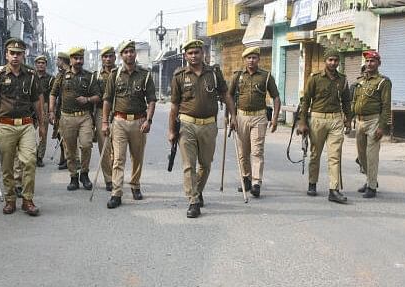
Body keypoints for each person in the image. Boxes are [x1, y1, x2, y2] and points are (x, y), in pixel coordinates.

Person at [169, 39, 234, 218]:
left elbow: (225, 95)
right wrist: (171, 130)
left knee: (205, 164)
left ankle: (197, 190)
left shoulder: (214, 73)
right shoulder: (179, 75)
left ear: (203, 53)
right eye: (190, 53)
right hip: (187, 125)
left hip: (209, 125)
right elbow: (174, 105)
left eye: (197, 52)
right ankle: (193, 201)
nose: (194, 56)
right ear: (185, 56)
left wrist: (233, 116)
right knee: (189, 165)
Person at [0, 38, 45, 216]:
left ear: (24, 55)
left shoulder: (31, 76)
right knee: (8, 165)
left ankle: (27, 200)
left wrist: (42, 125)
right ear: (6, 55)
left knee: (29, 161)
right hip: (5, 126)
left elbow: (36, 102)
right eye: (12, 53)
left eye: (19, 53)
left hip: (26, 125)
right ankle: (10, 200)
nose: (15, 57)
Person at [102, 40, 157, 209]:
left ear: (135, 54)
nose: (129, 55)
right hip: (119, 121)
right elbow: (107, 100)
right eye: (125, 52)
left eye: (131, 51)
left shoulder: (145, 75)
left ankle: (135, 185)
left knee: (137, 157)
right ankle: (116, 193)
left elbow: (152, 100)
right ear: (121, 55)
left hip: (139, 121)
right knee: (118, 158)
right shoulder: (114, 75)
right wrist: (105, 122)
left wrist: (148, 120)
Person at [297, 48, 352, 204]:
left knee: (335, 156)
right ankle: (312, 183)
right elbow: (306, 100)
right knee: (315, 154)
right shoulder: (314, 78)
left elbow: (347, 101)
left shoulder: (343, 79)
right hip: (317, 119)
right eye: (330, 60)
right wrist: (302, 122)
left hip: (336, 120)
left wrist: (348, 119)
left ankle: (334, 190)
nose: (333, 63)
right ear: (325, 61)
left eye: (335, 60)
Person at [228, 46, 281, 198]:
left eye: (254, 57)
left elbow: (276, 97)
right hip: (241, 117)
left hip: (259, 117)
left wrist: (275, 118)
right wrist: (231, 116)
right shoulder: (237, 76)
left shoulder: (266, 76)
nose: (251, 60)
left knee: (257, 151)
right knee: (243, 152)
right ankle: (246, 178)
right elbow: (229, 96)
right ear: (244, 60)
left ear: (258, 59)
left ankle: (257, 182)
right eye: (248, 58)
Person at [49, 47, 100, 191]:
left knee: (86, 145)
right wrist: (51, 111)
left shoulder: (89, 77)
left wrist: (87, 99)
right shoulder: (61, 76)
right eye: (76, 58)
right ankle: (73, 177)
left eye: (81, 58)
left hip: (84, 117)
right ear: (70, 59)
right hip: (67, 117)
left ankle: (84, 173)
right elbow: (53, 94)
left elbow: (98, 96)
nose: (79, 61)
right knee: (70, 150)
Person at [352, 50, 391, 198]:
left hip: (374, 121)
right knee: (362, 156)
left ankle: (372, 187)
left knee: (371, 155)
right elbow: (354, 101)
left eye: (372, 61)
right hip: (360, 121)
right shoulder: (360, 81)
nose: (369, 64)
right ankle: (370, 180)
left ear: (378, 64)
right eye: (367, 61)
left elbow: (386, 106)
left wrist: (382, 126)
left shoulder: (383, 82)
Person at [94, 46, 117, 192]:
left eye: (110, 56)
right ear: (102, 58)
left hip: (119, 113)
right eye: (105, 56)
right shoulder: (96, 76)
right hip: (102, 113)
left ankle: (116, 176)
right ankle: (109, 179)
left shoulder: (120, 72)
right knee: (105, 148)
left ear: (115, 57)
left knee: (117, 149)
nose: (108, 59)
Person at [34, 55, 55, 167]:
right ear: (35, 64)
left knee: (43, 133)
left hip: (45, 107)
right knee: (29, 132)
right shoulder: (31, 76)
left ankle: (39, 156)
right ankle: (31, 153)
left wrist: (52, 111)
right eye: (38, 63)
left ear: (46, 65)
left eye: (43, 63)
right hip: (31, 107)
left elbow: (53, 95)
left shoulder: (51, 79)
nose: (40, 65)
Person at [53, 52, 71, 170]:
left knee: (67, 137)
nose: (56, 62)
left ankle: (69, 160)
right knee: (60, 136)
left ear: (62, 60)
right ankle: (63, 158)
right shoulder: (60, 74)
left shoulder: (68, 73)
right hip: (60, 109)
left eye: (58, 60)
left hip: (68, 110)